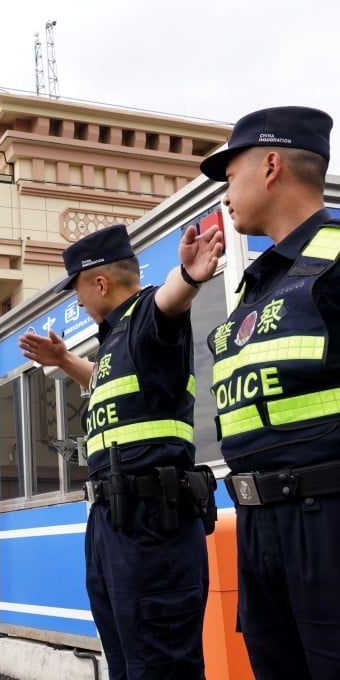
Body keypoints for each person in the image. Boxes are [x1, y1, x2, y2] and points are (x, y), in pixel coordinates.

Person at [18, 221, 222, 680]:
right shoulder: (116, 340)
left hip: (153, 524)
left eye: (77, 289)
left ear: (101, 283)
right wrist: (63, 360)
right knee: (127, 664)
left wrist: (187, 278)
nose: (77, 301)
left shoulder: (148, 316)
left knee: (162, 666)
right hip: (114, 524)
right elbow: (103, 379)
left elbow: (169, 302)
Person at [200, 106, 340, 679]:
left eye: (231, 176)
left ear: (272, 165)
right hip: (260, 526)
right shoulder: (259, 285)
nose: (225, 194)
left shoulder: (335, 259)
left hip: (326, 521)